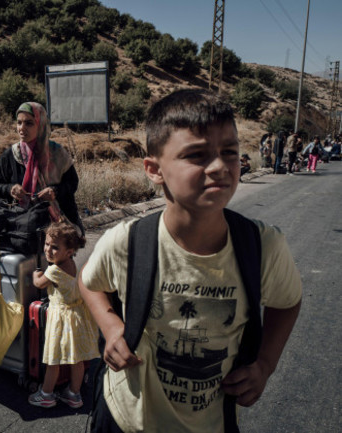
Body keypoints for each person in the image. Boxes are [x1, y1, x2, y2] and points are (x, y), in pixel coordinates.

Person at [79, 89, 302, 433]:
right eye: (196, 155)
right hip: (125, 419)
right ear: (154, 170)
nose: (219, 167)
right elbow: (90, 283)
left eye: (229, 152)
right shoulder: (127, 241)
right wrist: (111, 329)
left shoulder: (263, 247)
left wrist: (265, 365)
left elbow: (287, 303)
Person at [28, 222, 99, 409]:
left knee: (54, 359)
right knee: (76, 359)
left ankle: (46, 394)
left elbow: (39, 284)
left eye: (54, 247)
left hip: (62, 317)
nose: (48, 250)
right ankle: (74, 394)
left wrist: (36, 274)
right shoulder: (71, 263)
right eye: (47, 244)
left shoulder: (53, 270)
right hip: (77, 316)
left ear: (69, 251)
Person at [0, 102, 84, 235]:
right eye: (19, 122)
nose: (22, 128)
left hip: (57, 226)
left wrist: (54, 191)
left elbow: (72, 183)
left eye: (29, 123)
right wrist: (10, 189)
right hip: (23, 224)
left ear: (40, 125)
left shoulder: (57, 153)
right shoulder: (11, 155)